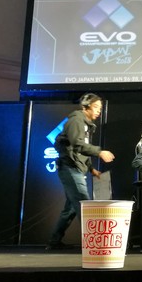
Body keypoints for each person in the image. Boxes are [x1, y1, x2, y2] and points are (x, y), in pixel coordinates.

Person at [46, 93, 115, 250]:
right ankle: (94, 244)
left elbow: (82, 151)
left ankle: (54, 242)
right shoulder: (76, 120)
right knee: (84, 204)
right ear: (86, 106)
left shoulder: (86, 124)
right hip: (69, 168)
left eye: (100, 108)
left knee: (70, 209)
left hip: (76, 168)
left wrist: (91, 169)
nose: (98, 111)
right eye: (96, 107)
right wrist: (99, 152)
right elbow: (77, 144)